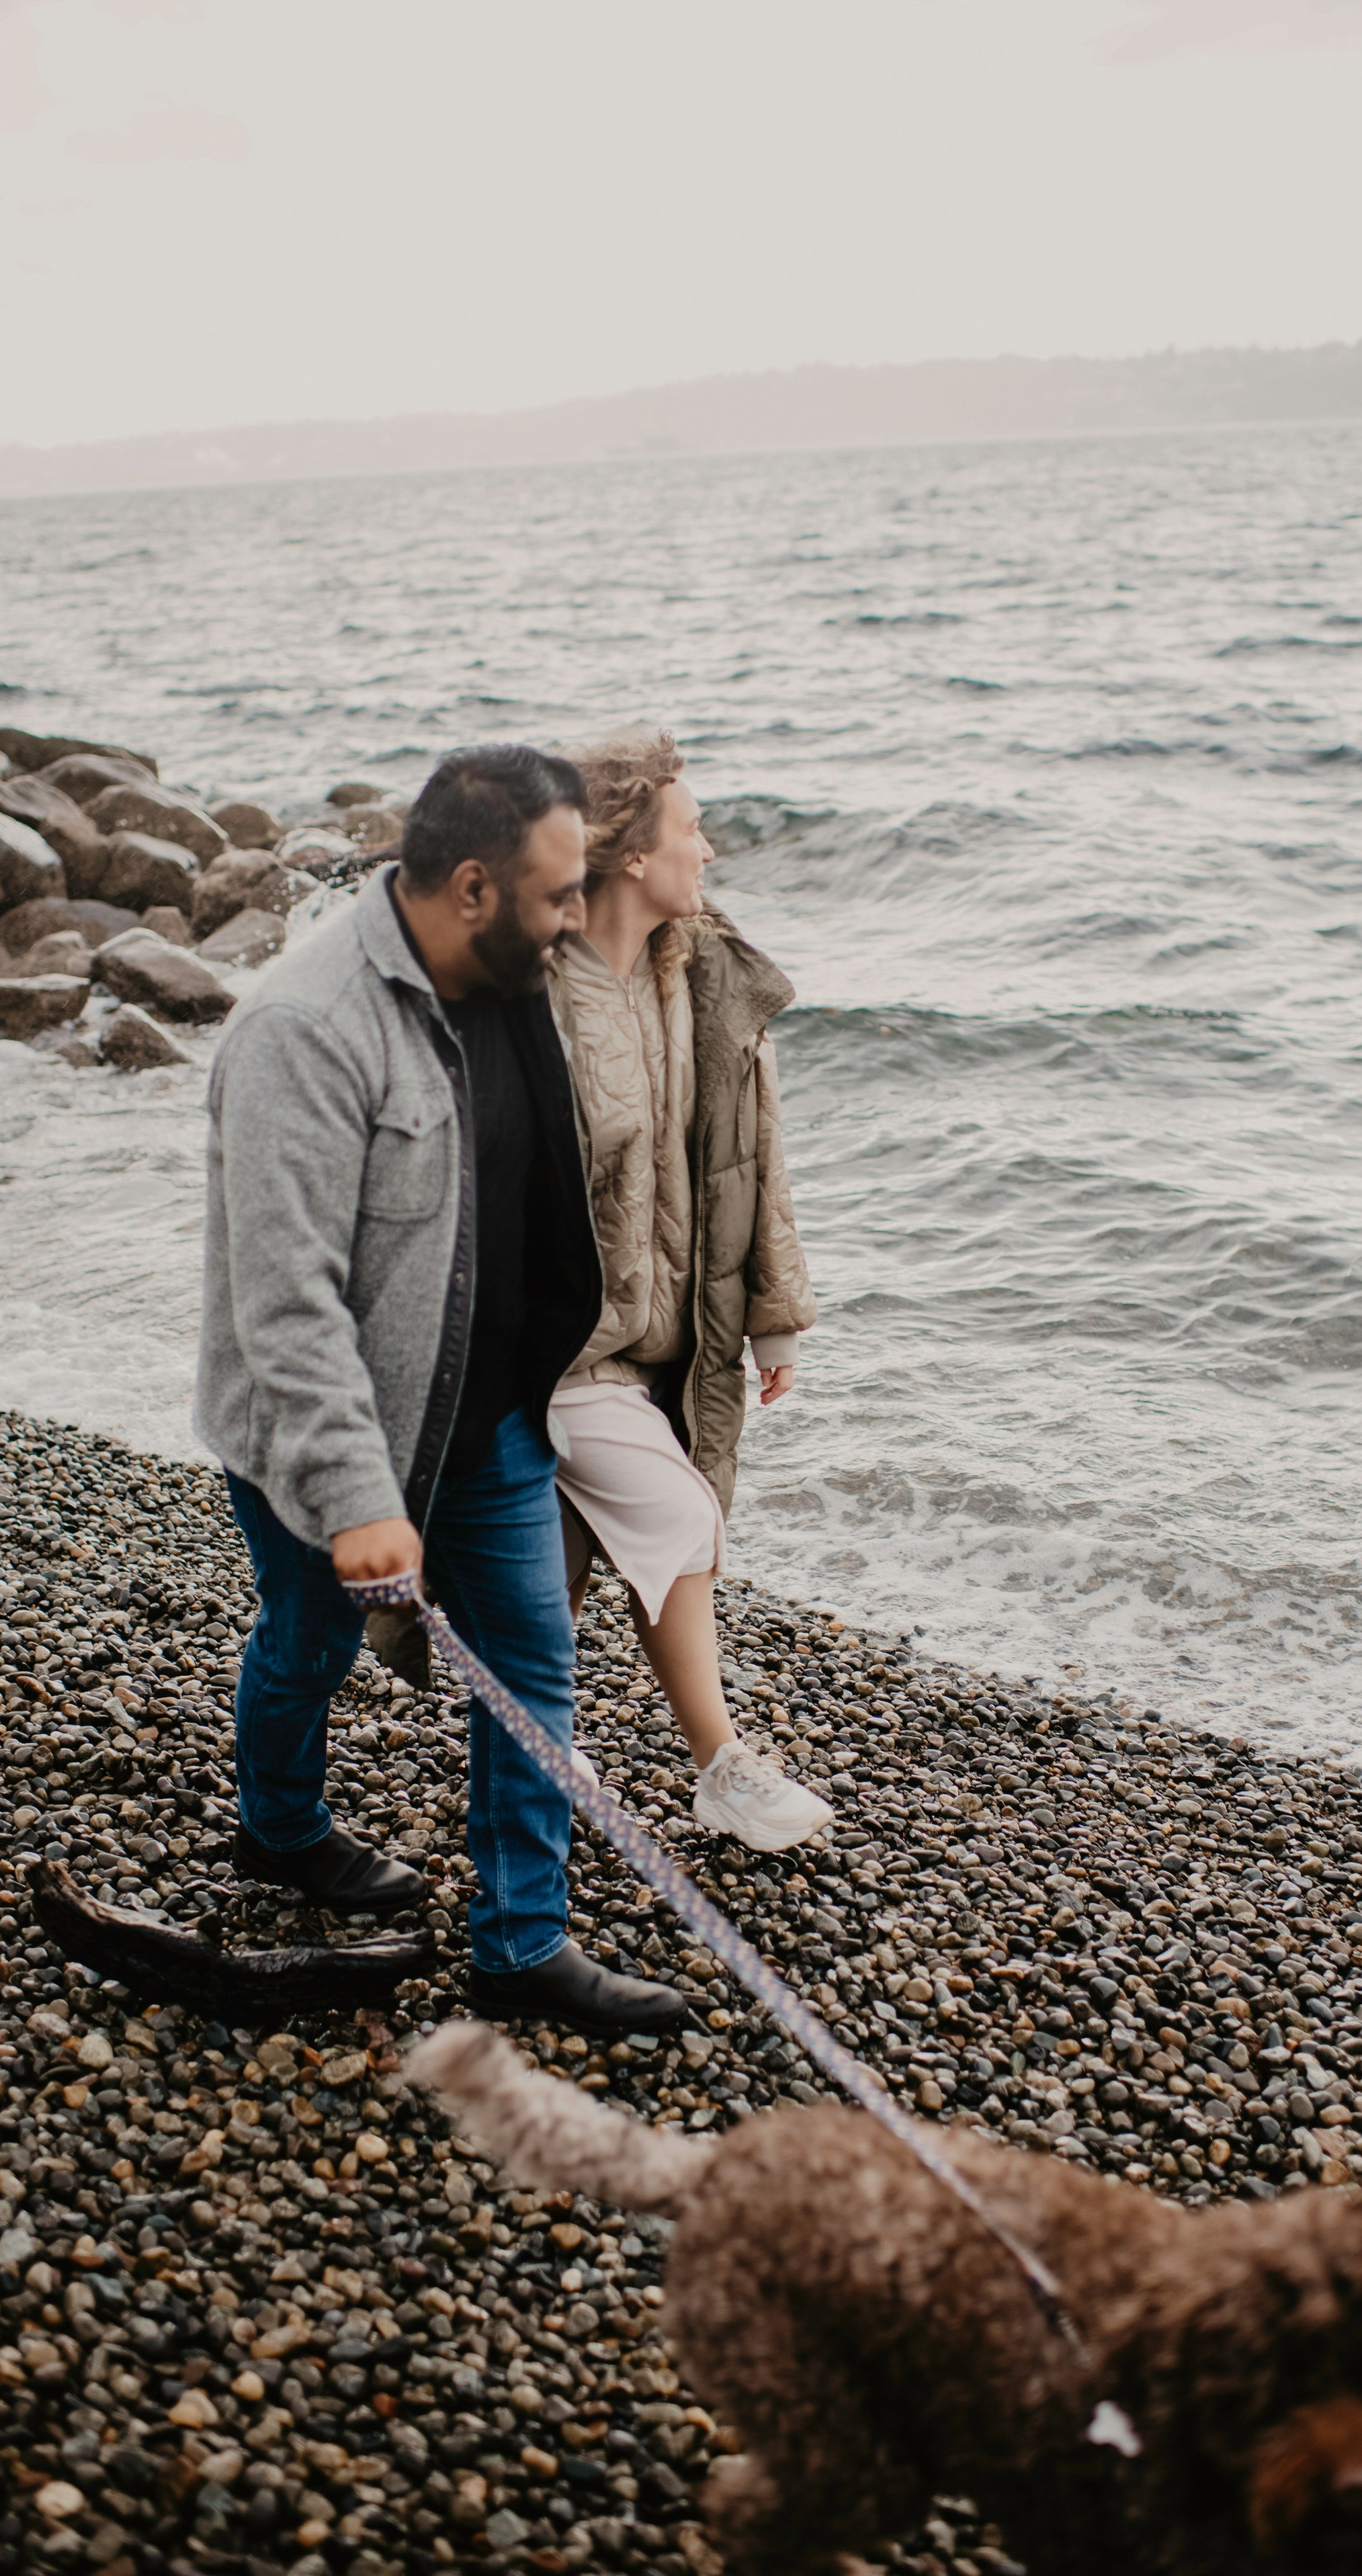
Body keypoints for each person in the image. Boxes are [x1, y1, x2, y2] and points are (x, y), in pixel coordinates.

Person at [194, 744, 687, 2039]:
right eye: (559, 894)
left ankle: (519, 1945)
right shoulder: (304, 1029)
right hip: (324, 1439)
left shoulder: (511, 979)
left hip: (496, 1419)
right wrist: (359, 1499)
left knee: (533, 1665)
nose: (578, 917)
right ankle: (281, 1829)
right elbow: (285, 1304)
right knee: (308, 1647)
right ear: (472, 886)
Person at [548, 726, 830, 1851]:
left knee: (556, 1565)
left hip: (672, 1335)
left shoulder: (707, 975)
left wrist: (773, 1316)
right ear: (627, 854)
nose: (708, 851)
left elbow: (756, 1152)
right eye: (690, 828)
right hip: (554, 1346)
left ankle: (531, 1745)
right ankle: (718, 1764)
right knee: (677, 1516)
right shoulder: (535, 994)